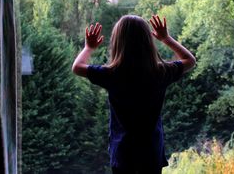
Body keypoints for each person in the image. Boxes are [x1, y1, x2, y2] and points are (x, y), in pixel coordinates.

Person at [72, 14, 196, 174]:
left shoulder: (112, 74)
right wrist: (166, 38)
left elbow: (77, 67)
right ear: (148, 42)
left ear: (117, 43)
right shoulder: (160, 72)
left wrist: (89, 47)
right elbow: (190, 60)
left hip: (124, 152)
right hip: (151, 152)